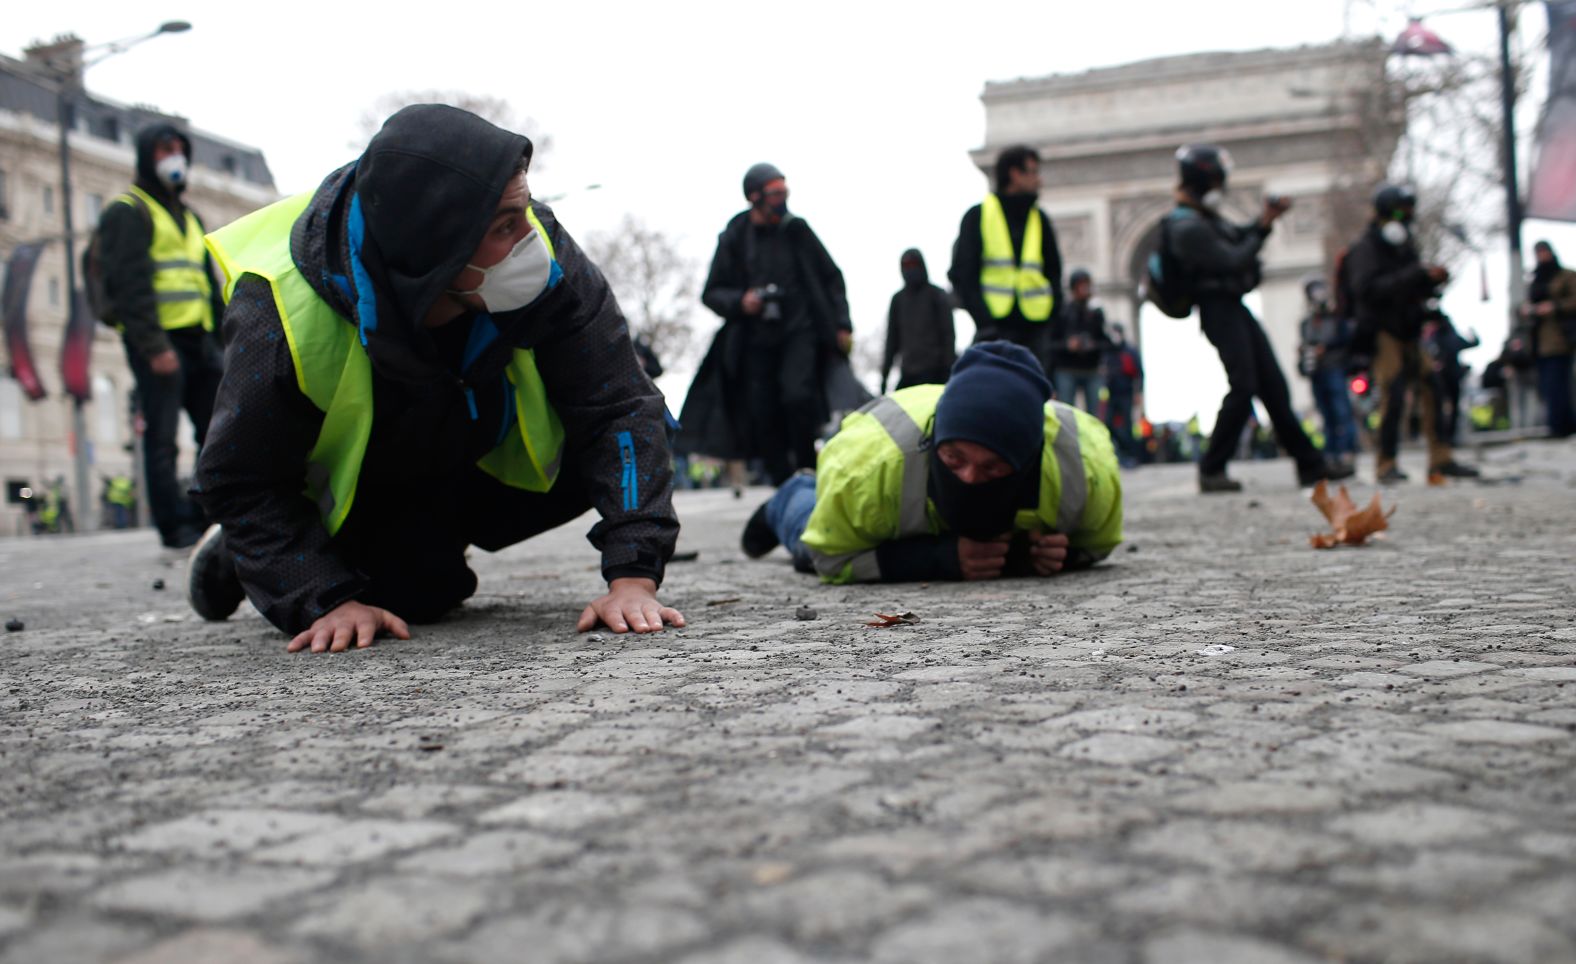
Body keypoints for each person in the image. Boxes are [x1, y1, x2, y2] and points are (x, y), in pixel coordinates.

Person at [185, 105, 683, 653]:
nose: (531, 238)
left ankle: (393, 547)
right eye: (504, 227)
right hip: (369, 474)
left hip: (466, 444)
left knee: (648, 424)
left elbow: (618, 404)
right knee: (412, 596)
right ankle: (252, 551)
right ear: (435, 256)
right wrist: (320, 596)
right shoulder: (277, 314)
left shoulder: (541, 250)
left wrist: (633, 577)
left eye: (522, 211)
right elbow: (239, 478)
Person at [740, 342, 1122, 583]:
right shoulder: (865, 471)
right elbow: (829, 555)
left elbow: (1101, 543)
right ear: (935, 439)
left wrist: (1065, 554)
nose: (970, 478)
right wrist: (937, 559)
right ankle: (787, 497)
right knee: (807, 543)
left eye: (992, 468)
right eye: (954, 458)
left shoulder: (1085, 469)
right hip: (861, 477)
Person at [1164, 145, 1337, 493]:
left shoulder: (1202, 219)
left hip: (1233, 307)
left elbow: (1237, 236)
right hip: (1217, 310)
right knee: (1243, 386)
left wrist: (1263, 220)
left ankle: (1311, 464)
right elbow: (1231, 259)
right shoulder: (1186, 227)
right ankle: (1212, 469)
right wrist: (1262, 230)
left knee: (1273, 386)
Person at [679, 163, 854, 486]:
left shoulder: (797, 230)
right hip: (754, 341)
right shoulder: (734, 236)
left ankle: (807, 472)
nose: (781, 199)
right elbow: (711, 293)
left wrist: (842, 324)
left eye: (784, 192)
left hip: (800, 332)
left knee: (797, 397)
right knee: (762, 412)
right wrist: (741, 301)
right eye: (774, 193)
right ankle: (783, 483)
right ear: (754, 197)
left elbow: (832, 277)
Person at [96, 124, 226, 551]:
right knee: (162, 437)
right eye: (165, 149)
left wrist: (224, 340)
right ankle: (175, 527)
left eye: (180, 149)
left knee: (217, 432)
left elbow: (206, 283)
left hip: (200, 341)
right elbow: (129, 285)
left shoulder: (189, 217)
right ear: (146, 155)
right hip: (161, 344)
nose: (175, 156)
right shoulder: (128, 210)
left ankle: (212, 516)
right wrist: (154, 347)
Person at [1346, 184, 1479, 483]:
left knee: (1434, 388)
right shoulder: (1365, 249)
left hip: (1410, 329)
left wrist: (1431, 281)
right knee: (1392, 395)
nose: (1405, 217)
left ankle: (1441, 458)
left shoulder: (1406, 247)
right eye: (1399, 210)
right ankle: (1385, 463)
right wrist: (1415, 275)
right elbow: (1366, 291)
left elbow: (1413, 286)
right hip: (1383, 332)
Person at [948, 145, 1063, 364]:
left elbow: (1054, 272)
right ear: (1014, 174)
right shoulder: (977, 217)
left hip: (1036, 332)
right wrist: (985, 323)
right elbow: (963, 274)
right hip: (994, 330)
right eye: (1033, 172)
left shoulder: (1040, 220)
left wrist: (1051, 320)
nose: (1039, 180)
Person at [1297, 277, 1359, 475]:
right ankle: (1331, 455)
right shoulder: (1307, 323)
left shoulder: (1336, 319)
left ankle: (1346, 452)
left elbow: (1347, 342)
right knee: (1327, 415)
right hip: (1317, 373)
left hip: (1335, 369)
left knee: (1342, 411)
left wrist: (1327, 349)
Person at [1521, 240, 1576, 437]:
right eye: (1538, 252)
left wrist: (1554, 307)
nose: (1541, 255)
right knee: (1546, 386)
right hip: (1538, 341)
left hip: (1560, 338)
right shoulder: (1535, 278)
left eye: (1544, 251)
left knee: (1559, 383)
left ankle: (1563, 427)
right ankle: (1556, 425)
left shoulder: (1566, 275)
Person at [881, 249, 956, 392]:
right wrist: (884, 376)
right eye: (906, 266)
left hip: (936, 373)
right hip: (909, 374)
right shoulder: (898, 300)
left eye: (913, 265)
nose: (910, 270)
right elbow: (892, 340)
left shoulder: (936, 295)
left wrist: (948, 371)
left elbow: (948, 335)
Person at [1048, 268, 1110, 411]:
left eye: (1087, 284)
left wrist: (1093, 345)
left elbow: (1107, 342)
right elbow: (1050, 343)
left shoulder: (1096, 313)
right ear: (1073, 288)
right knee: (1065, 412)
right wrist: (1067, 345)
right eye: (1081, 285)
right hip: (1066, 368)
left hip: (1091, 369)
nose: (1085, 289)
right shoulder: (1062, 312)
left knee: (1096, 413)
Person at [1423, 308, 1479, 444]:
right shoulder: (1448, 336)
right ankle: (1448, 437)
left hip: (1445, 376)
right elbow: (1472, 343)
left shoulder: (1437, 337)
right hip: (1449, 375)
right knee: (1448, 406)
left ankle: (1446, 437)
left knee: (1443, 406)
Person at [1102, 323, 1144, 467]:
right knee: (1108, 423)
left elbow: (1140, 373)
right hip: (1110, 394)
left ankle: (1130, 456)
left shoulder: (1130, 351)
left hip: (1126, 393)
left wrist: (1139, 393)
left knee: (1127, 426)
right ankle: (1120, 452)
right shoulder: (1108, 352)